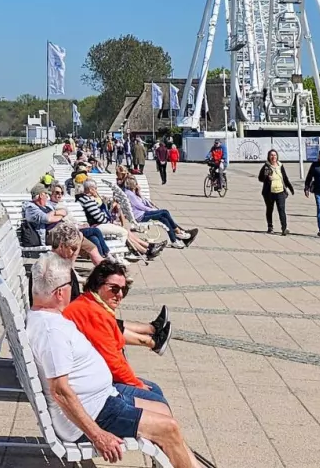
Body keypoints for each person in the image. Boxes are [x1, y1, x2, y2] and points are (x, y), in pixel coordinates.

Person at [24, 255, 200, 467]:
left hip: (102, 399)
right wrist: (98, 435)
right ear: (60, 292)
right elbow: (60, 391)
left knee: (162, 411)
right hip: (95, 413)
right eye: (71, 284)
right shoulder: (52, 332)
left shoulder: (47, 318)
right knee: (168, 428)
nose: (73, 289)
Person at [64, 261, 171, 397]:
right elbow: (111, 360)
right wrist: (136, 384)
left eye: (123, 290)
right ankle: (153, 338)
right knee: (154, 398)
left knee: (154, 390)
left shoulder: (93, 304)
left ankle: (153, 335)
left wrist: (134, 381)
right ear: (97, 285)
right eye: (114, 289)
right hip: (89, 387)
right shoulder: (92, 313)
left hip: (95, 377)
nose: (120, 294)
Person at [77, 181, 164, 261]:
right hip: (96, 226)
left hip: (98, 224)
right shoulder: (87, 201)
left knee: (125, 230)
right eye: (96, 188)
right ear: (91, 189)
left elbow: (100, 215)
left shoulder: (87, 199)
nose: (97, 190)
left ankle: (148, 248)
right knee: (123, 231)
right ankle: (147, 250)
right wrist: (110, 219)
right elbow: (100, 218)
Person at [118, 176, 199, 246]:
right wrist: (153, 210)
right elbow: (140, 206)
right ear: (133, 185)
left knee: (164, 219)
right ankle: (178, 232)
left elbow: (142, 202)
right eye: (136, 184)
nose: (137, 185)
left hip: (140, 214)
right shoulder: (130, 194)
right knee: (165, 212)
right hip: (141, 216)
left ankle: (174, 240)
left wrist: (139, 194)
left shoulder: (130, 192)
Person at [258, 150, 293, 235]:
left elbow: (285, 177)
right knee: (270, 209)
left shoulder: (280, 165)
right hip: (269, 193)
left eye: (275, 155)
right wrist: (266, 177)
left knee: (282, 210)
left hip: (280, 191)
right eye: (271, 155)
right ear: (269, 157)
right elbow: (260, 178)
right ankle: (270, 227)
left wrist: (290, 187)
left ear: (277, 156)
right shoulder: (266, 166)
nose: (273, 157)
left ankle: (284, 228)